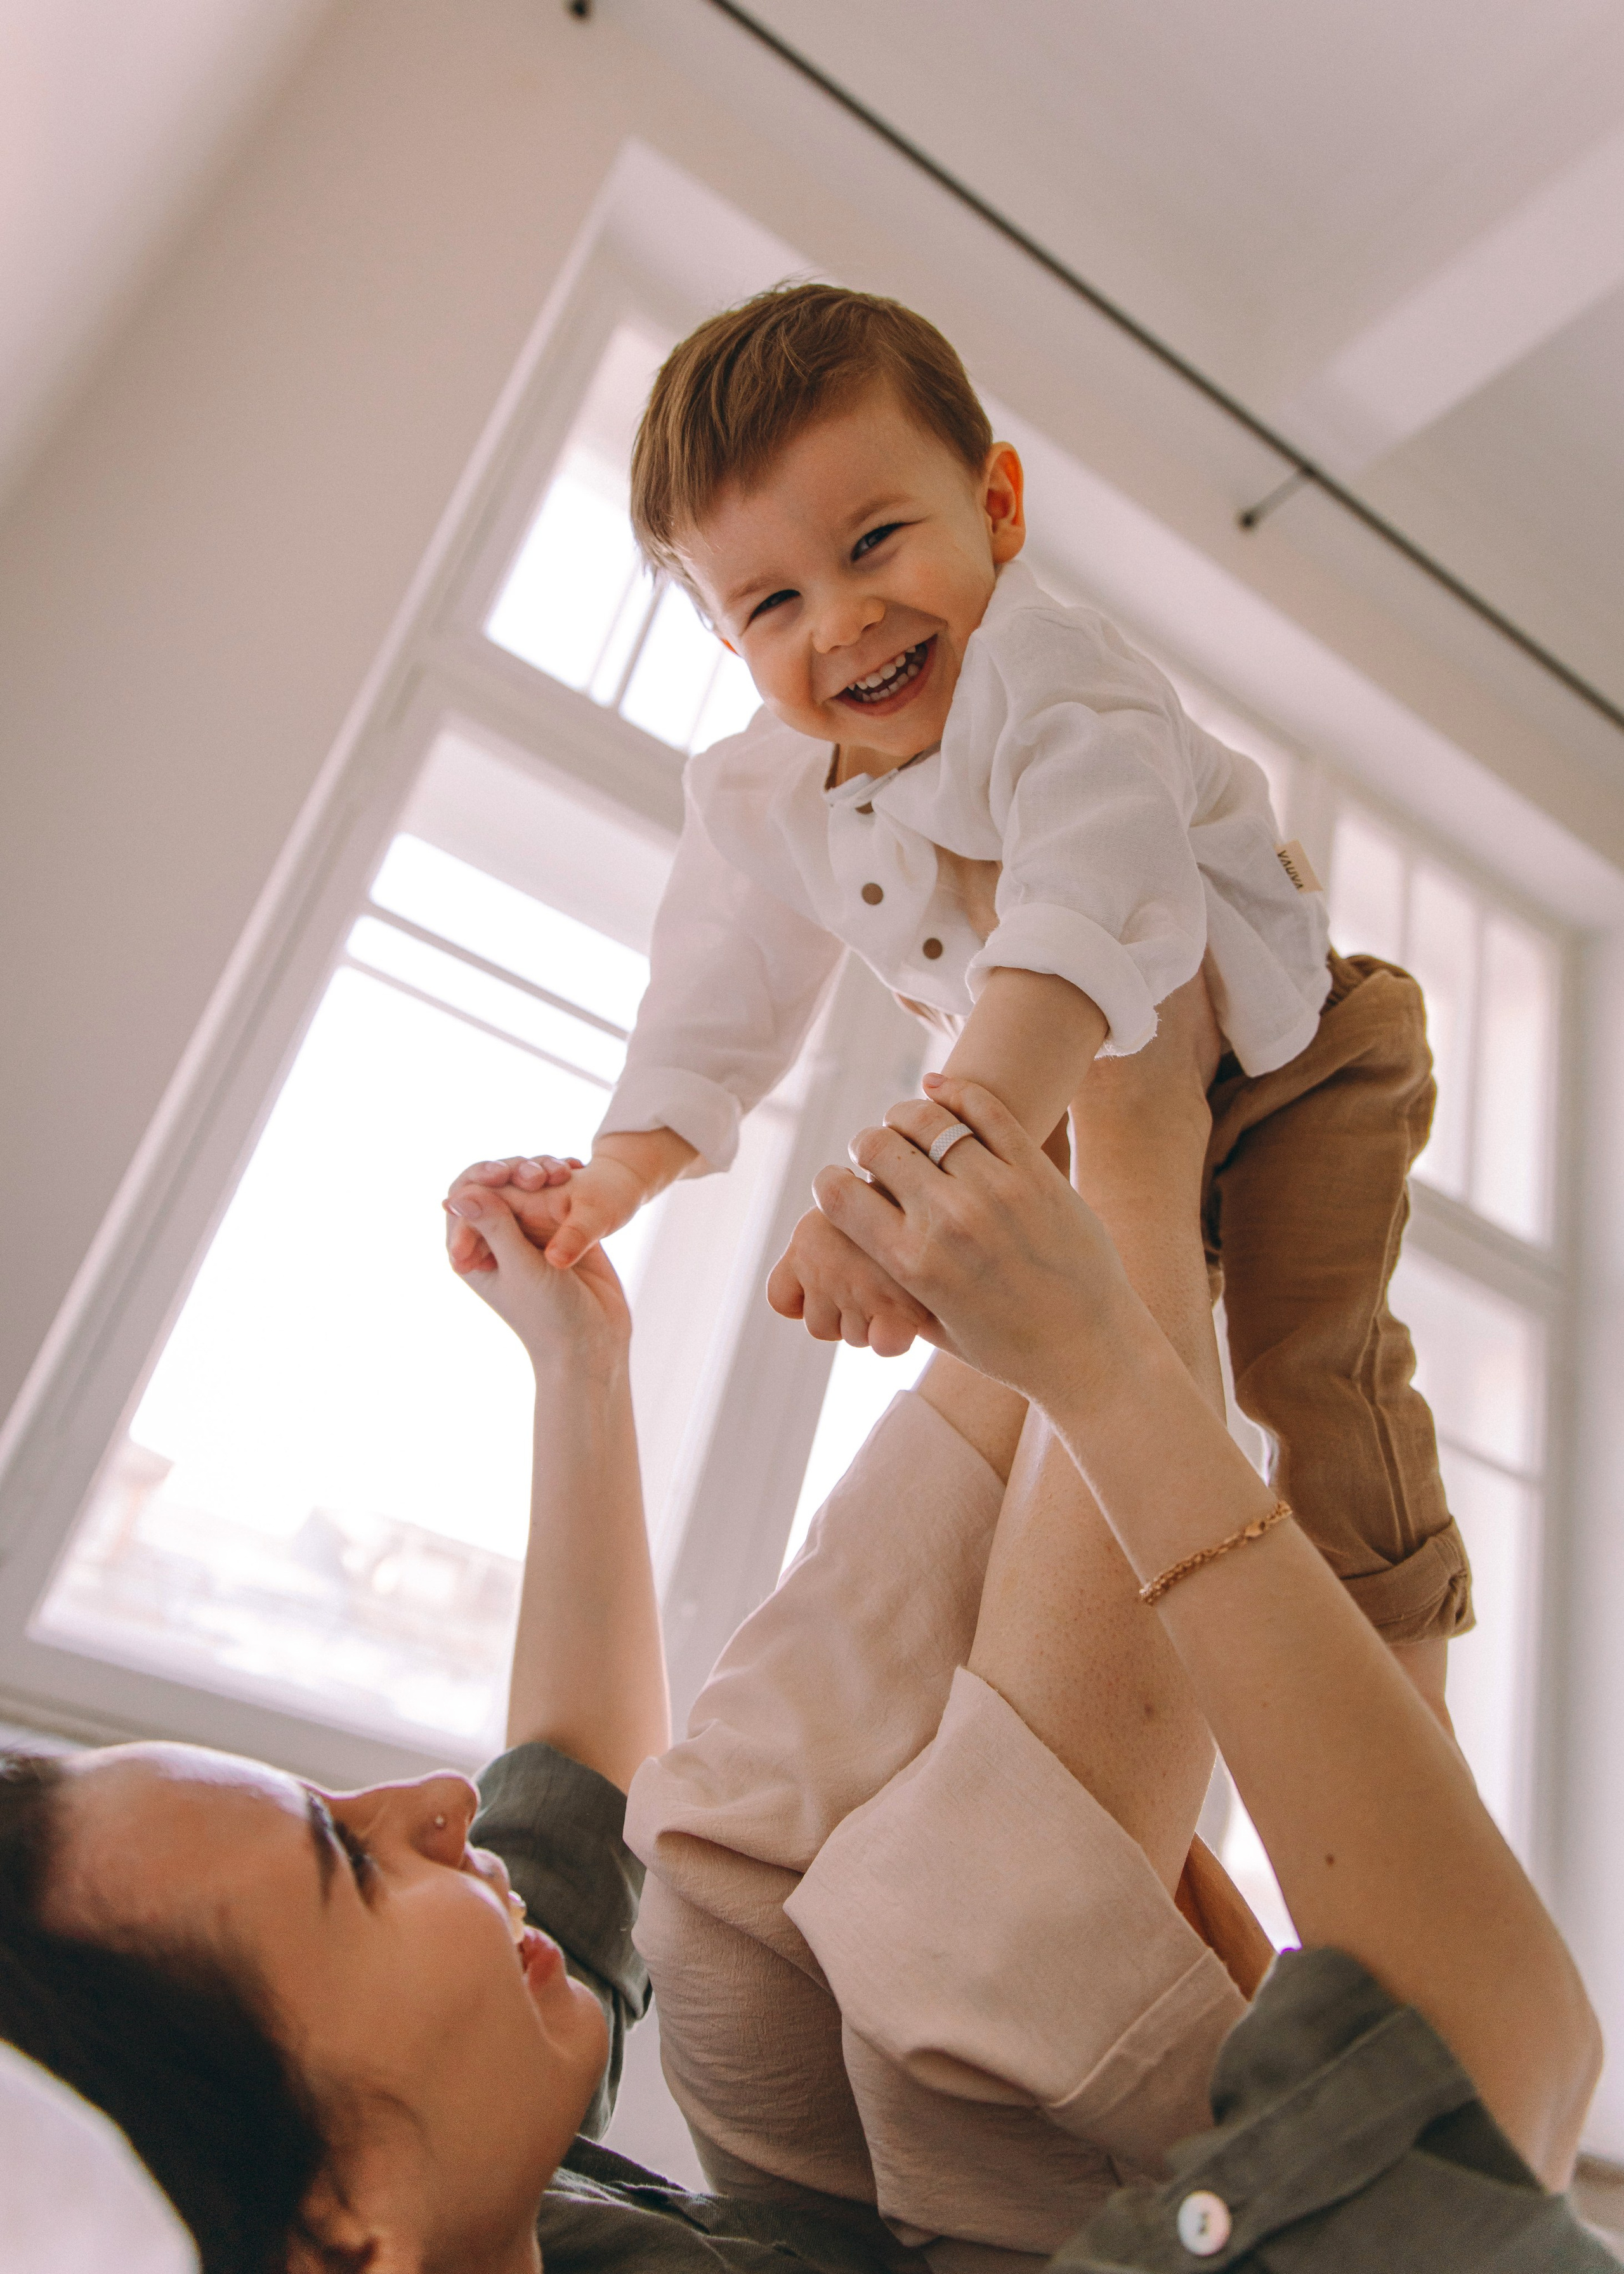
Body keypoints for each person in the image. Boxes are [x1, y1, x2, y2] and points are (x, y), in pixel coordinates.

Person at [2, 1107, 1605, 2273]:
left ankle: (1134, 1175)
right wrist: (1108, 1378)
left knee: (720, 1845)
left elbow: (569, 1793)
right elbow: (1495, 2070)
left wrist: (580, 1367)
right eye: (343, 1863)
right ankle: (1146, 1126)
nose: (420, 1801)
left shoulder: (438, 2191)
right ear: (339, 2228)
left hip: (815, 2225)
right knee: (957, 1930)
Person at [452, 282, 1470, 1732]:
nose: (846, 619)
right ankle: (1055, 1691)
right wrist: (623, 1171)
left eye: (875, 542)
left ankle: (1401, 1731)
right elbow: (716, 994)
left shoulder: (1060, 682)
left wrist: (906, 1186)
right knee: (1049, 1381)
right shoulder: (759, 789)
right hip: (1029, 1095)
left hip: (1292, 1066)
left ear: (993, 503)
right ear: (721, 634)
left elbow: (1075, 918)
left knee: (1310, 1368)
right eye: (772, 603)